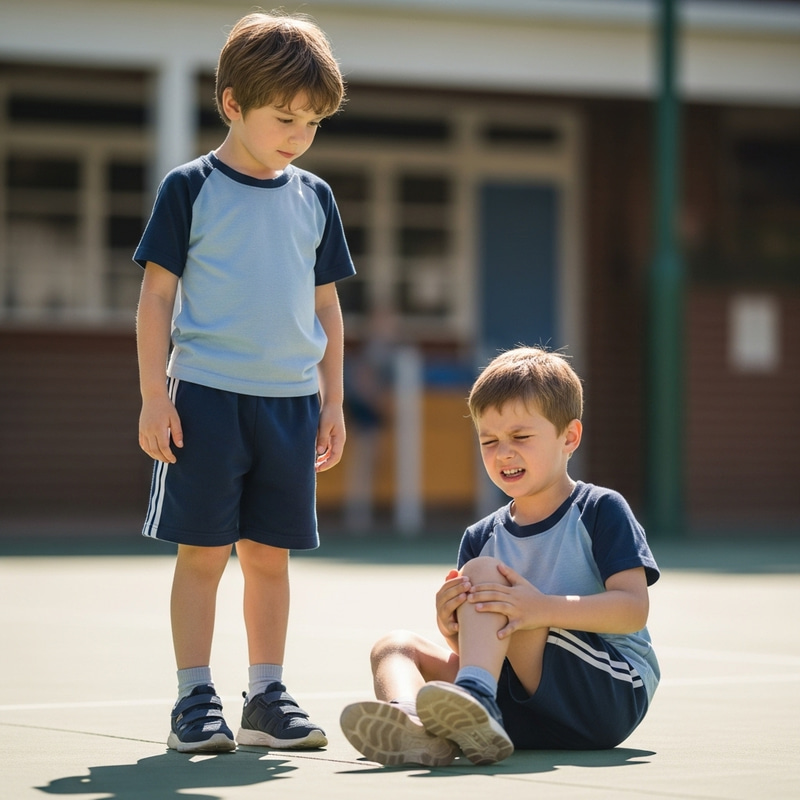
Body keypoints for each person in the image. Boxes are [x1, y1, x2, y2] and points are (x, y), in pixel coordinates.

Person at [134, 11, 354, 754]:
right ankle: (193, 698)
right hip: (202, 398)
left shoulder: (316, 198)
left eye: (313, 121)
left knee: (269, 556)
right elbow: (156, 297)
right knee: (202, 555)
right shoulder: (188, 188)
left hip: (291, 408)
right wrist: (153, 395)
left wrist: (334, 401)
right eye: (283, 116)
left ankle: (266, 694)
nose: (298, 134)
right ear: (232, 104)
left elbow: (327, 306)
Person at [340, 346, 659, 766]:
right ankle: (415, 727)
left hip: (605, 695)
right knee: (394, 647)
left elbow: (633, 610)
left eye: (520, 437)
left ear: (569, 437)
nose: (503, 452)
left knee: (498, 592)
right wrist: (449, 622)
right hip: (517, 705)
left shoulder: (599, 509)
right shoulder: (480, 535)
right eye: (488, 441)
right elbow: (481, 646)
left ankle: (473, 701)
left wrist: (539, 609)